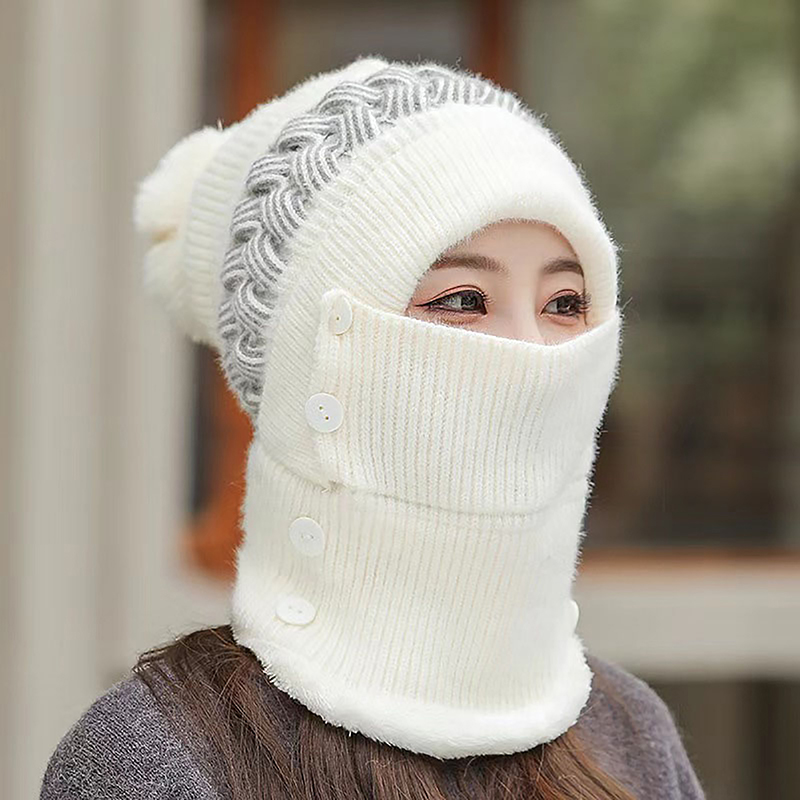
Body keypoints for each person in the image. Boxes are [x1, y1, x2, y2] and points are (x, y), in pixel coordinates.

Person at [40, 56, 706, 799]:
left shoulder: (629, 731)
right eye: (462, 300)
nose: (534, 353)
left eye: (564, 304)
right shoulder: (156, 757)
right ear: (317, 364)